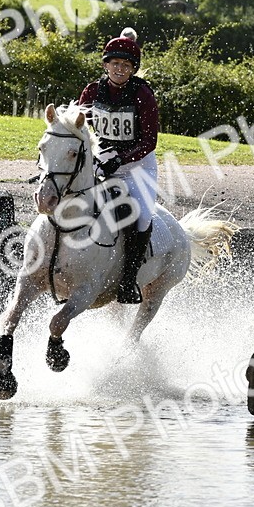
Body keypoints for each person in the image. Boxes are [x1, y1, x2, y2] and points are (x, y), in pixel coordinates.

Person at [78, 27, 159, 304]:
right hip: (102, 161)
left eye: (126, 65)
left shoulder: (143, 94)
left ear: (133, 69)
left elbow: (149, 140)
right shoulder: (91, 92)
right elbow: (82, 130)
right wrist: (98, 156)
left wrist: (121, 159)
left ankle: (127, 281)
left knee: (142, 217)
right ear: (106, 64)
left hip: (138, 167)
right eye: (115, 64)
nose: (120, 69)